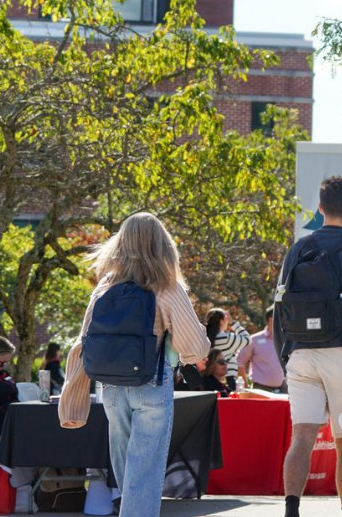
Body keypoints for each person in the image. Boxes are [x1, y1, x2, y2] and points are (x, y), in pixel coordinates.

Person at [58, 212, 210, 517]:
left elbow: (84, 340)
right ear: (162, 245)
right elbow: (194, 346)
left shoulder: (105, 285)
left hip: (111, 388)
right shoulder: (166, 286)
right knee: (146, 471)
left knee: (128, 473)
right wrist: (187, 356)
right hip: (150, 383)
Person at [273, 176, 342, 517]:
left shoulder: (298, 249)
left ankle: (292, 510)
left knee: (302, 437)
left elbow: (280, 307)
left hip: (300, 353)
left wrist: (286, 357)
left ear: (320, 209)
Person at [238, 307, 285, 392]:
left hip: (283, 388)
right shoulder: (254, 340)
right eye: (281, 317)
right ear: (271, 319)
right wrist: (245, 385)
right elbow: (239, 362)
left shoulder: (286, 340)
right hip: (260, 389)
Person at [206, 308, 250, 392]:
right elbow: (247, 339)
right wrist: (233, 323)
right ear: (222, 321)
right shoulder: (226, 338)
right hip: (228, 380)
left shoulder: (205, 338)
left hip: (210, 380)